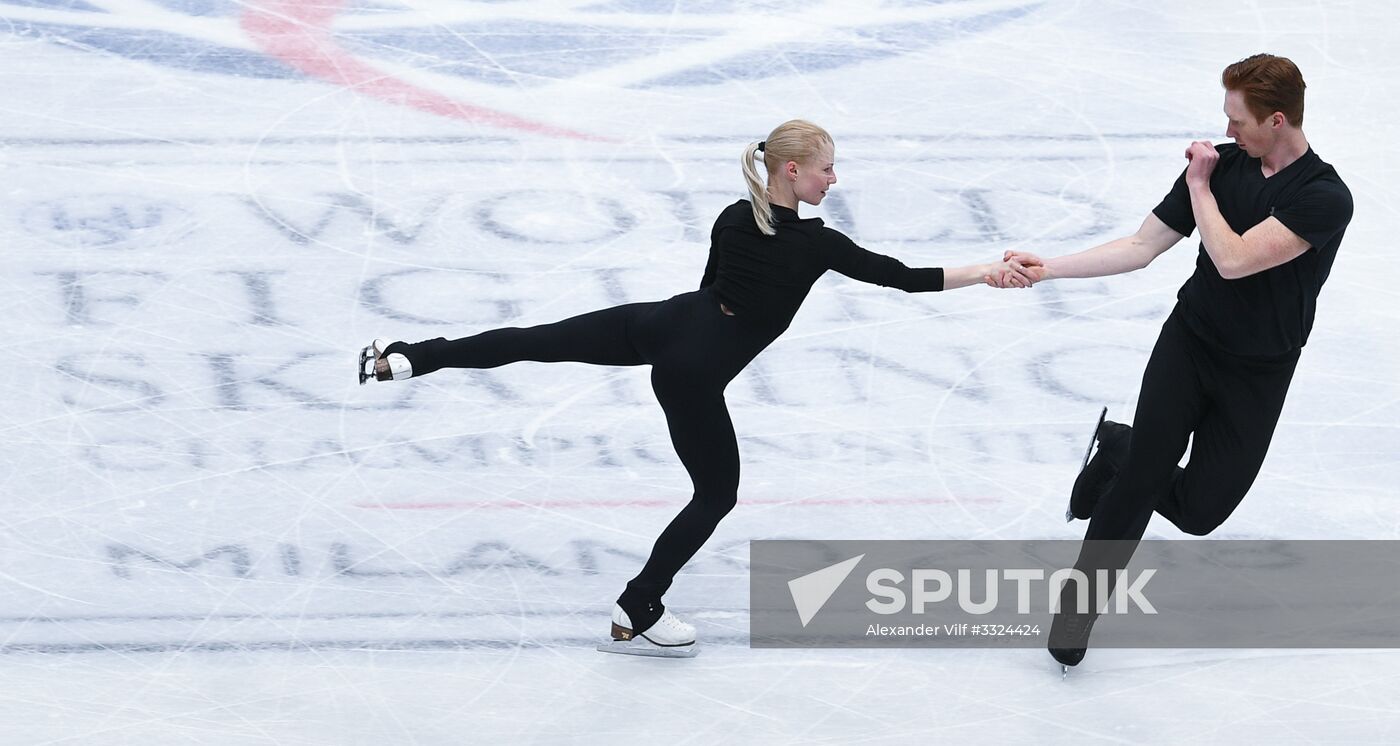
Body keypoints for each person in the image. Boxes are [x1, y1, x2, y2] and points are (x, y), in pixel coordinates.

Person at [360, 120, 1036, 656]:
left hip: (662, 322)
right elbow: (905, 277)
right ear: (792, 171)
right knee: (717, 494)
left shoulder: (732, 217)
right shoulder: (817, 246)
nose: (835, 179)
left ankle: (409, 357)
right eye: (827, 167)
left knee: (534, 340)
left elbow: (718, 288)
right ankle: (639, 605)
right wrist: (989, 270)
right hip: (689, 368)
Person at [990, 54, 1353, 669]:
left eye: (1238, 120)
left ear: (1278, 119)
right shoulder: (1225, 162)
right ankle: (1077, 613)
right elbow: (1139, 247)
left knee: (1200, 511)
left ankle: (1120, 448)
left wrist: (1200, 187)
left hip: (1259, 371)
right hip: (1189, 344)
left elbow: (1236, 258)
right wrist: (1047, 269)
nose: (1228, 131)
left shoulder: (1324, 196)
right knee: (1140, 487)